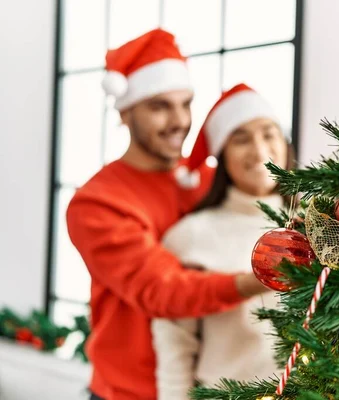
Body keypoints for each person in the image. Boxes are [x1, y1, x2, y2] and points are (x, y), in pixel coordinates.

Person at [66, 29, 272, 400]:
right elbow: (163, 290)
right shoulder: (97, 203)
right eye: (160, 106)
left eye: (186, 103)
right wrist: (262, 278)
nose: (179, 121)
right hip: (131, 392)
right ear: (126, 112)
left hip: (211, 387)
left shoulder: (208, 182)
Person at [151, 83, 294, 399]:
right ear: (222, 156)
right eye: (241, 139)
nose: (259, 150)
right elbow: (175, 343)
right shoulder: (192, 234)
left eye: (269, 134)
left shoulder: (319, 227)